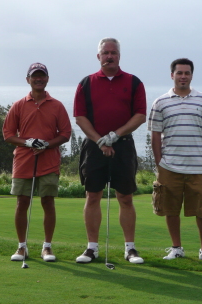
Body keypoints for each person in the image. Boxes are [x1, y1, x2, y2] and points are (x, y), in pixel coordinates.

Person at [73, 37, 147, 264]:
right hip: (94, 147)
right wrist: (100, 141)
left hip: (123, 146)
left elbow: (140, 116)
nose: (109, 56)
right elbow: (80, 117)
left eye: (113, 52)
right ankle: (92, 248)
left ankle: (130, 249)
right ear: (99, 56)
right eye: (105, 53)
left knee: (125, 197)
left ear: (119, 56)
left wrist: (116, 135)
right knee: (92, 195)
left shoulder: (134, 82)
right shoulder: (86, 83)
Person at [148, 58, 202, 262]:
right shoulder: (160, 102)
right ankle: (176, 248)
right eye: (179, 73)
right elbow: (155, 134)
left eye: (187, 73)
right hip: (169, 165)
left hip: (198, 165)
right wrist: (158, 161)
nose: (183, 76)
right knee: (170, 208)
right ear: (172, 75)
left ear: (191, 75)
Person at [3, 62, 71, 262]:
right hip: (24, 161)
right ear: (28, 80)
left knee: (47, 202)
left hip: (49, 161)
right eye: (35, 76)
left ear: (47, 79)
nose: (38, 79)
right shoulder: (18, 105)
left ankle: (47, 247)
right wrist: (28, 142)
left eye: (42, 76)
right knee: (22, 202)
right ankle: (21, 247)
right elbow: (7, 134)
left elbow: (66, 133)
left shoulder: (57, 105)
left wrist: (47, 144)